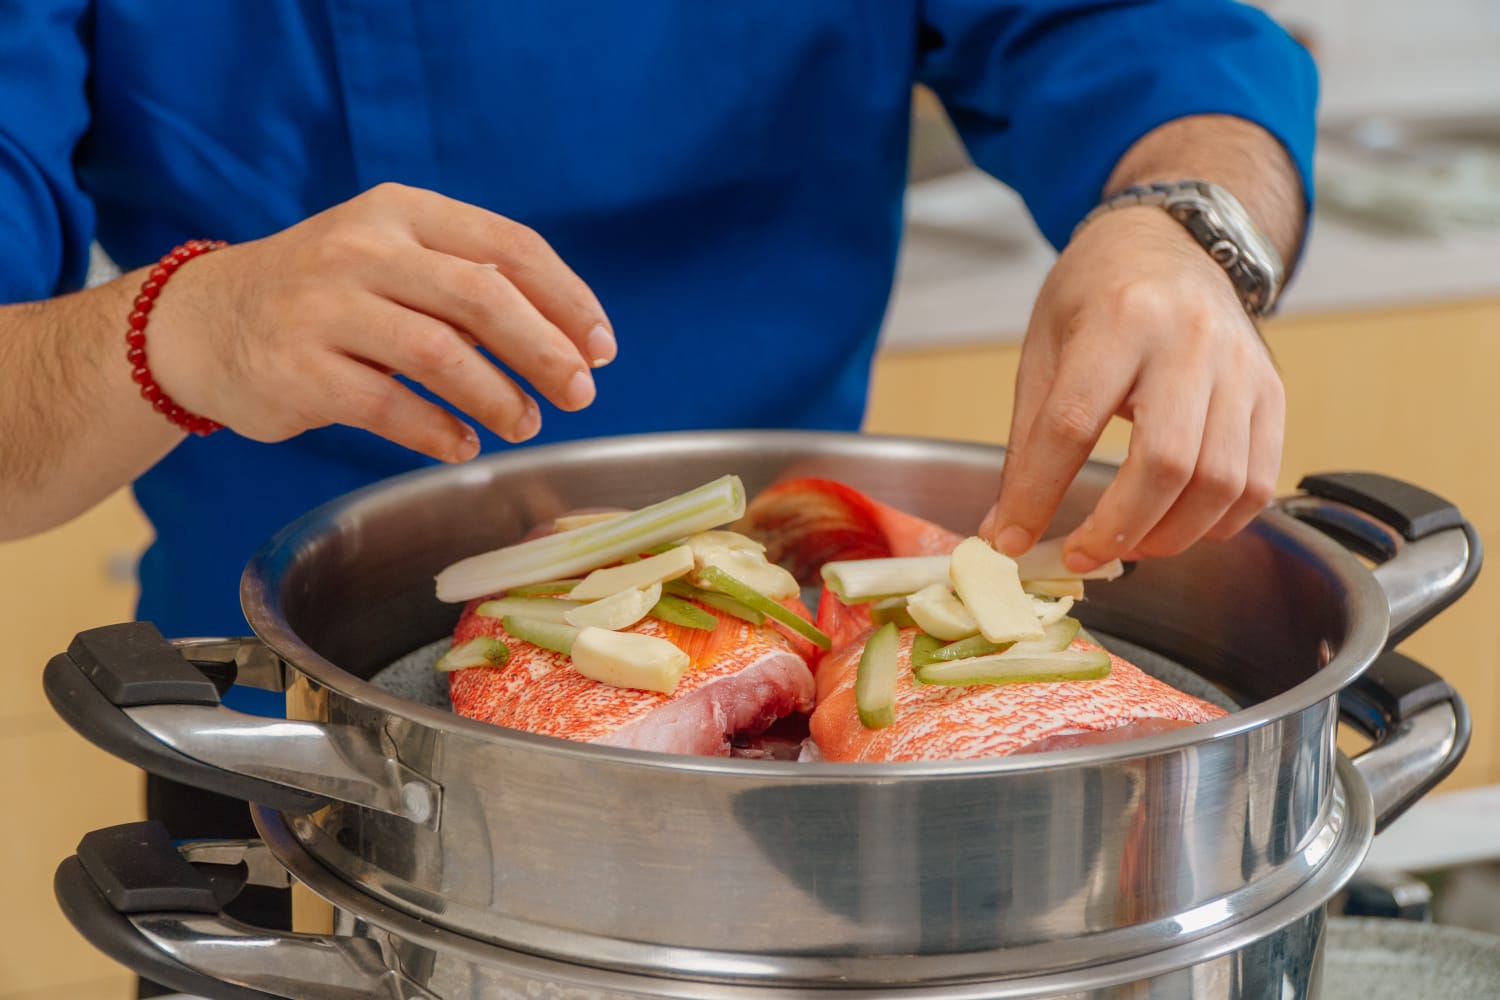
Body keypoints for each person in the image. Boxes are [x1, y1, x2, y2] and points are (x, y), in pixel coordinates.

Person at [0, 1, 1314, 989]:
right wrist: (183, 327)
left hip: (837, 804)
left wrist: (1182, 226)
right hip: (308, 768)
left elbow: (1147, 35)